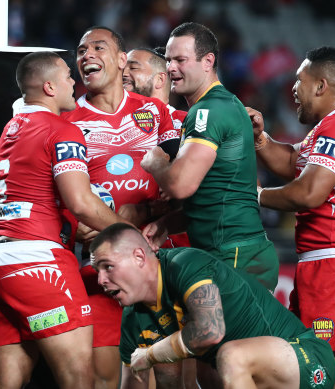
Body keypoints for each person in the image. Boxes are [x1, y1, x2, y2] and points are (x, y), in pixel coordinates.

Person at [0, 51, 131, 389]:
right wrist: (130, 234)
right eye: (66, 77)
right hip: (38, 266)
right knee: (79, 380)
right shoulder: (62, 129)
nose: (73, 82)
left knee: (3, 382)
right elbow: (81, 203)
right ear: (49, 87)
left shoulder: (12, 128)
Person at [249, 46, 335, 389]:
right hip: (330, 261)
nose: (293, 89)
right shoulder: (333, 126)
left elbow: (309, 193)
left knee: (331, 373)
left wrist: (256, 197)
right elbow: (289, 162)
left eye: (299, 81)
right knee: (316, 370)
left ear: (321, 85)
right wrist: (260, 139)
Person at [60, 26, 180, 389]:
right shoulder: (66, 122)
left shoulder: (156, 113)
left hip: (157, 264)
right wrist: (75, 226)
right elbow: (62, 199)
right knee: (103, 377)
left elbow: (182, 184)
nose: (86, 55)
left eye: (98, 46)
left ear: (120, 59)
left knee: (168, 375)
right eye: (80, 50)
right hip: (99, 270)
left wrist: (147, 215)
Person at [90, 223, 335, 389]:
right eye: (97, 270)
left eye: (108, 266)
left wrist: (150, 355)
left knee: (228, 355)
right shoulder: (134, 318)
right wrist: (146, 360)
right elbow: (135, 377)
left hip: (304, 360)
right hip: (248, 377)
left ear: (139, 256)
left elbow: (210, 331)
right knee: (180, 367)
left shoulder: (184, 263)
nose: (101, 280)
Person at [141, 22, 279, 291]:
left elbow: (182, 184)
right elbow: (217, 194)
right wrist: (170, 223)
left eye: (180, 60)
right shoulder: (224, 103)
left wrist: (156, 163)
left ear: (208, 61)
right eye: (168, 60)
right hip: (238, 251)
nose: (170, 68)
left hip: (233, 255)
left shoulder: (208, 110)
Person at [123, 47, 196, 389]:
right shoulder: (111, 124)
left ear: (160, 78)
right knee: (133, 366)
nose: (123, 71)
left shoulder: (190, 124)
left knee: (182, 369)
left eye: (132, 66)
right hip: (129, 260)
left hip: (178, 259)